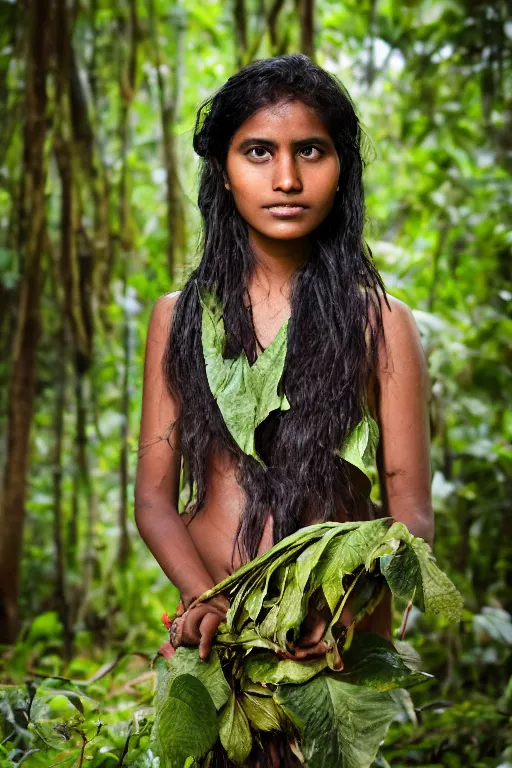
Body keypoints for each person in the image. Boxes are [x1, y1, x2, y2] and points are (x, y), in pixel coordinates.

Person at [135, 53, 434, 766]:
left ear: (342, 166)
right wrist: (204, 601)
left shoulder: (380, 323)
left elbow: (411, 513)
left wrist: (344, 605)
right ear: (224, 168)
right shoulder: (177, 319)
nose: (288, 179)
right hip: (220, 648)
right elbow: (152, 499)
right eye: (259, 152)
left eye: (311, 151)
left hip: (334, 650)